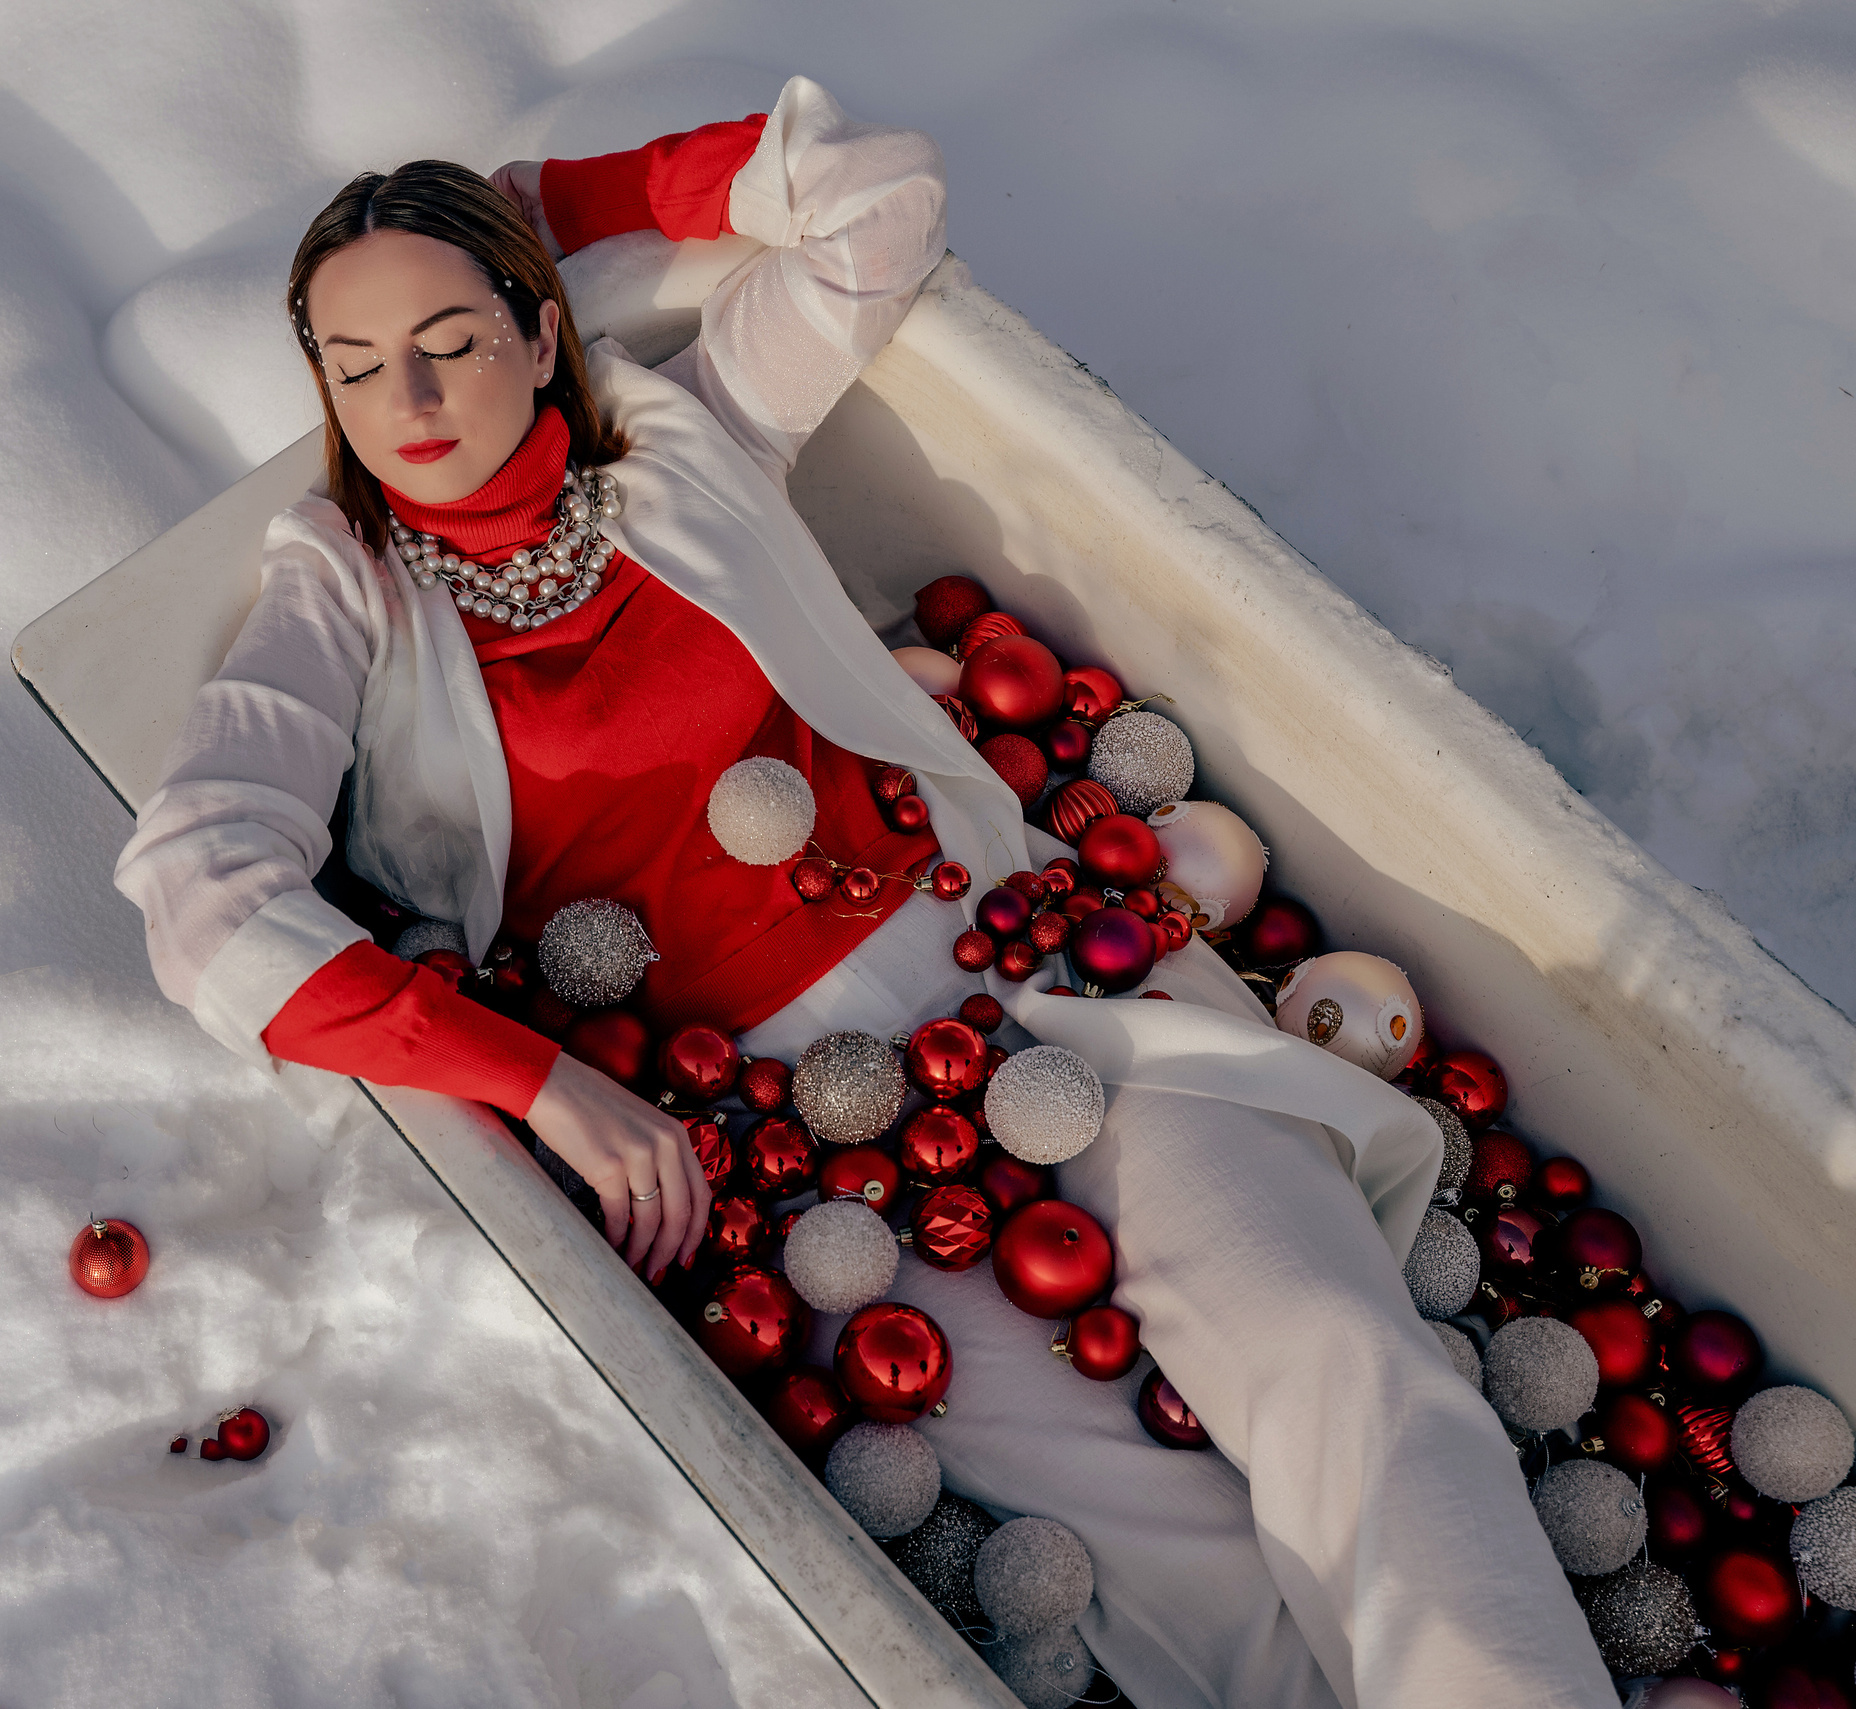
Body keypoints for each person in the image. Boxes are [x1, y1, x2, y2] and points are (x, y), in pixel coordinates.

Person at [115, 77, 1618, 1709]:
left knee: (1344, 1366)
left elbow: (876, 200)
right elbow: (204, 894)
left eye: (448, 341)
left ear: (540, 334)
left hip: (1027, 974)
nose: (401, 397)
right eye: (351, 365)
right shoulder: (342, 588)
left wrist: (555, 192)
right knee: (1174, 1570)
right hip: (789, 1163)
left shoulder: (693, 439)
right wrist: (535, 1082)